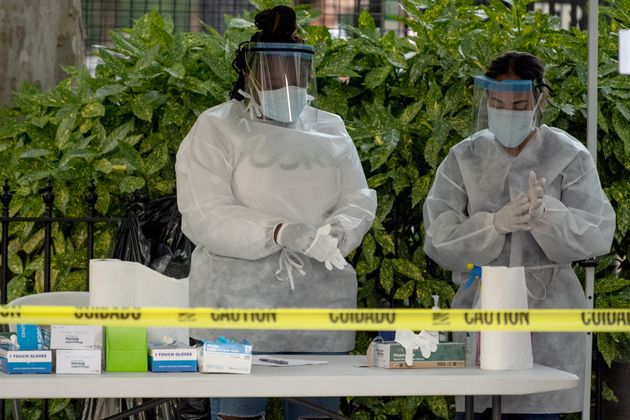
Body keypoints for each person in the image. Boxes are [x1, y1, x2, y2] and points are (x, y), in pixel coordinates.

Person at [175, 5, 377, 420]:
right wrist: (281, 232)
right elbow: (204, 213)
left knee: (316, 413)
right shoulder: (216, 128)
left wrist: (338, 232)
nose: (286, 83)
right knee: (236, 415)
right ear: (248, 73)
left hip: (320, 312)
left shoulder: (330, 127)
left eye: (296, 74)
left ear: (307, 75)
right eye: (273, 73)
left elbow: (357, 198)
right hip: (235, 313)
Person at [422, 51, 615, 419]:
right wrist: (493, 224)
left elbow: (597, 233)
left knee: (538, 406)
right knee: (477, 406)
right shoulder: (465, 156)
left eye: (519, 104)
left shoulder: (568, 155)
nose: (508, 113)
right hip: (481, 313)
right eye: (497, 103)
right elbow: (438, 238)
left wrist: (548, 216)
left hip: (547, 320)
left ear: (541, 100)